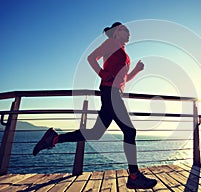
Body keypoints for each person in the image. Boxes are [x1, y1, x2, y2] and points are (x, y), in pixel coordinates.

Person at [33, 22, 157, 189]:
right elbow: (91, 58)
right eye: (125, 30)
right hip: (110, 93)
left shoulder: (123, 52)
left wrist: (136, 70)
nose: (129, 32)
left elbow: (124, 78)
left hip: (114, 94)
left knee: (95, 133)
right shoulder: (112, 43)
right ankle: (134, 175)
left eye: (129, 30)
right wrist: (102, 73)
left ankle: (53, 138)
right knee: (130, 131)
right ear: (116, 32)